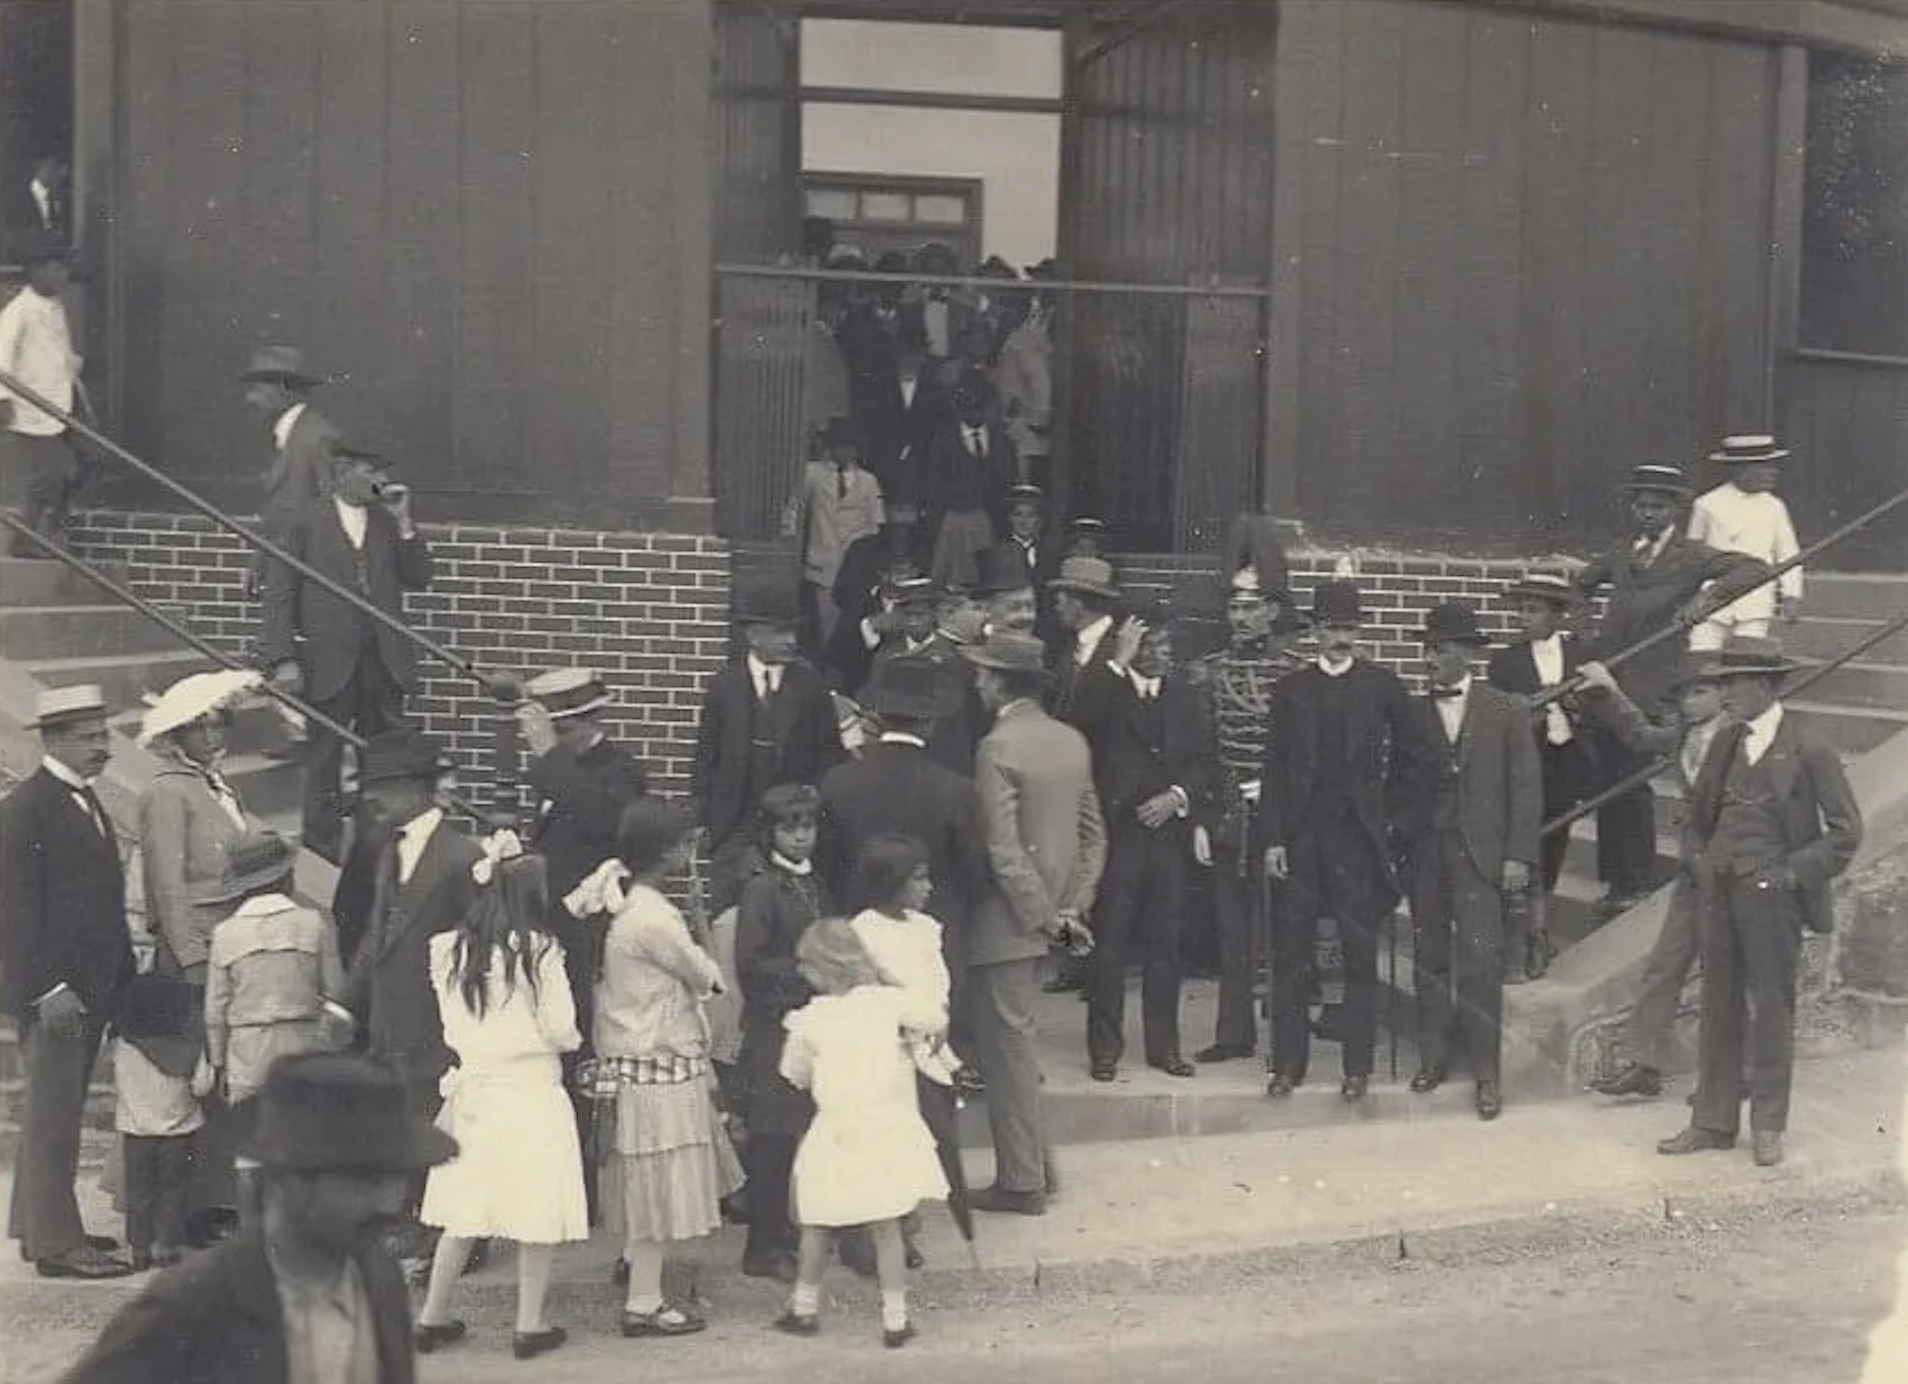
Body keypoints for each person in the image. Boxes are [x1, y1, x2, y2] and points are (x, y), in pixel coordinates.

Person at [60, 1052, 454, 1384]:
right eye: (364, 1180)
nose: (389, 1203)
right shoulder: (196, 1302)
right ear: (287, 1177)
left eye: (396, 1179)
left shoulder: (379, 1280)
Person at [1657, 637, 1862, 1169]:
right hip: (1719, 891)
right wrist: (1702, 862)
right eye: (1721, 682)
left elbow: (1845, 834)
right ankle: (1712, 1121)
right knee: (1717, 1004)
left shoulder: (1809, 747)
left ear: (1767, 686)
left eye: (1733, 682)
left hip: (1773, 899)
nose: (1724, 693)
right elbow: (1699, 817)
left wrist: (1789, 875)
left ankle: (1768, 1125)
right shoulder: (1725, 742)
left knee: (1771, 1008)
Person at [1257, 579, 1433, 1103]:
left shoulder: (1383, 687)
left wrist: (1394, 822)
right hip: (1302, 839)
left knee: (1360, 958)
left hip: (1358, 845)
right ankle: (1287, 1065)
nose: (1342, 638)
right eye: (1333, 628)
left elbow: (1415, 759)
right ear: (1315, 631)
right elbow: (1273, 770)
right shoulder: (1292, 690)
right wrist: (1272, 839)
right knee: (1291, 959)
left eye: (1350, 628)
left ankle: (1357, 1068)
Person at [414, 833, 586, 1362]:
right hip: (531, 1089)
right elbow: (561, 1028)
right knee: (537, 1205)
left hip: (475, 1089)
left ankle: (432, 1316)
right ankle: (528, 1325)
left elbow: (449, 1025)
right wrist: (571, 1040)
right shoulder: (538, 952)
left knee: (464, 1210)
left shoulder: (449, 950)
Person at [1574, 462, 1769, 913]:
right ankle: (1614, 881)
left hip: (1655, 681)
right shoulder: (1621, 552)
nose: (1648, 514)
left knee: (1634, 782)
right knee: (1609, 784)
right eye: (1641, 506)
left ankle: (1637, 883)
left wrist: (1706, 599)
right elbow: (1579, 588)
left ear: (1676, 510)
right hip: (1609, 678)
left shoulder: (1693, 555)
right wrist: (1587, 635)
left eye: (1658, 506)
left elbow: (1755, 569)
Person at [961, 629, 1105, 1214]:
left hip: (1005, 927)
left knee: (1007, 1057)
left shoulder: (996, 746)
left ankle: (1022, 1181)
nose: (977, 681)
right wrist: (1070, 910)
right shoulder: (1070, 740)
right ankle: (1038, 1168)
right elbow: (1094, 835)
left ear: (998, 682)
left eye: (982, 674)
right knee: (1020, 1049)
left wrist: (1043, 918)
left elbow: (1002, 850)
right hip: (1052, 919)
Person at [1, 684, 136, 1279]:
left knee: (56, 1111)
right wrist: (45, 988)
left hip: (90, 987)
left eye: (104, 736)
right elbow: (14, 910)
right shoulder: (28, 807)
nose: (102, 748)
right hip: (58, 995)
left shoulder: (85, 799)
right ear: (53, 740)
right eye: (88, 739)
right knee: (54, 1118)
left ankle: (40, 1225)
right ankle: (57, 1246)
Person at [594, 798, 743, 1338]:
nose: (691, 852)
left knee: (645, 1174)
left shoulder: (633, 905)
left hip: (636, 1056)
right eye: (685, 844)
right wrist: (702, 920)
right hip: (658, 1058)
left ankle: (638, 1269)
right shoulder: (656, 917)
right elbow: (709, 977)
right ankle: (644, 1303)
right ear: (667, 851)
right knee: (658, 1184)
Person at [135, 668, 270, 1245]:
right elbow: (166, 883)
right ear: (177, 737)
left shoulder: (217, 786)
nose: (215, 737)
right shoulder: (168, 791)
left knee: (218, 1082)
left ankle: (214, 1201)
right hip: (198, 951)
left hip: (231, 947)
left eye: (219, 725)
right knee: (194, 1079)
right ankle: (186, 1212)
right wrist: (190, 958)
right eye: (201, 729)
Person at [339, 727, 482, 1260]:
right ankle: (412, 1217)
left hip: (438, 1023)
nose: (373, 799)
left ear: (414, 789)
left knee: (438, 1119)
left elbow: (483, 948)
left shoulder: (462, 857)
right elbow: (378, 937)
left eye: (382, 788)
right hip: (391, 1021)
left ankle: (452, 1230)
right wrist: (344, 1002)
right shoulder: (388, 851)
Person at [257, 442, 434, 862]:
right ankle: (322, 850)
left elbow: (419, 576)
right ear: (343, 472)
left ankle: (383, 847)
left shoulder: (385, 521)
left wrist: (405, 522)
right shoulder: (304, 521)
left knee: (388, 755)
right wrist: (282, 658)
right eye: (372, 471)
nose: (382, 481)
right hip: (329, 661)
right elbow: (279, 592)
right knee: (324, 758)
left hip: (383, 660)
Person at [774, 918, 947, 1349]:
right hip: (885, 1124)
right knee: (887, 1224)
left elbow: (792, 1074)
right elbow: (932, 1017)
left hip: (835, 1128)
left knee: (817, 1222)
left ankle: (804, 1306)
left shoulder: (809, 1020)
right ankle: (895, 1318)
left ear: (821, 967)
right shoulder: (888, 1003)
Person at [517, 665, 648, 1220]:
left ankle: (588, 1195)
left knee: (586, 1061)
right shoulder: (566, 771)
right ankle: (567, 1187)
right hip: (554, 936)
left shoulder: (617, 772)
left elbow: (607, 822)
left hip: (590, 940)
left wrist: (550, 758)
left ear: (576, 725)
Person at [1403, 603, 1542, 1121]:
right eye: (1427, 649)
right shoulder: (1414, 713)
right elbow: (1398, 785)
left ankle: (1487, 1074)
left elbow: (1526, 790)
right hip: (1427, 854)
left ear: (1465, 654)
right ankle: (1434, 1059)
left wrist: (1519, 856)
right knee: (1430, 959)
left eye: (1439, 650)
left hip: (1482, 856)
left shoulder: (1506, 710)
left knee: (1482, 963)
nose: (1429, 659)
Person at [818, 657, 990, 1069]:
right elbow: (976, 876)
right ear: (931, 722)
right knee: (930, 1057)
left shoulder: (839, 782)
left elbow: (825, 866)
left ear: (877, 714)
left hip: (858, 938)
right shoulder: (957, 790)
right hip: (932, 942)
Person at [1574, 656, 1733, 1100]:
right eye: (1683, 694)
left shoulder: (1742, 738)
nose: (1689, 701)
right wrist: (1608, 690)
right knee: (1664, 965)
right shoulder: (1685, 734)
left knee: (1727, 974)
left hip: (1731, 869)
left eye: (1700, 691)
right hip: (1692, 870)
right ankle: (1644, 1065)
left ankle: (1727, 1077)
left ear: (1724, 694)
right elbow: (1640, 735)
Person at [1071, 599, 1209, 1081]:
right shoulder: (1106, 690)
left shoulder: (1186, 697)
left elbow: (1202, 759)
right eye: (1145, 644)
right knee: (1109, 946)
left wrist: (1177, 795)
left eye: (1164, 644)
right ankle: (1105, 1049)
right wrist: (1116, 661)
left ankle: (1164, 1047)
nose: (1156, 653)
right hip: (1117, 837)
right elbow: (1077, 719)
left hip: (1166, 838)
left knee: (1165, 944)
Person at [1188, 565, 1307, 1063]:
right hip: (1230, 813)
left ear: (1271, 613)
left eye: (1250, 607)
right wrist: (1200, 817)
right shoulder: (1208, 672)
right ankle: (1235, 1032)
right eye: (1234, 608)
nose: (1240, 617)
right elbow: (1200, 751)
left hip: (1281, 816)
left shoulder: (1296, 672)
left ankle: (1286, 1030)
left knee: (1286, 926)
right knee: (1232, 927)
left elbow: (1303, 753)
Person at [202, 829, 351, 1223]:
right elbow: (335, 992)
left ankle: (251, 1239)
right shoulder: (313, 924)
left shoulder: (225, 934)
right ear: (286, 877)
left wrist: (217, 1061)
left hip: (247, 1047)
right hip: (302, 1042)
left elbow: (215, 1009)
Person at [692, 566, 845, 917]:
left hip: (789, 828)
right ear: (753, 634)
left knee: (787, 916)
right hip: (734, 829)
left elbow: (829, 755)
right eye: (779, 632)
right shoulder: (724, 686)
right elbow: (705, 757)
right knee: (728, 916)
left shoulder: (811, 686)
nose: (790, 640)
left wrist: (807, 805)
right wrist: (707, 822)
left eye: (793, 630)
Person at [733, 784, 833, 1283]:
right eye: (790, 828)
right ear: (770, 832)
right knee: (771, 1137)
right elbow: (750, 965)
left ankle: (783, 1232)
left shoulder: (815, 883)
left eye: (808, 826)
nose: (801, 837)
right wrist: (808, 976)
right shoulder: (762, 888)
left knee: (794, 1133)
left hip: (810, 1026)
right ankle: (762, 1245)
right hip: (774, 1026)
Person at [1487, 571, 1595, 978]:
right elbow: (1498, 711)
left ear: (1557, 615)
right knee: (1524, 844)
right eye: (1520, 609)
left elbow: (1598, 707)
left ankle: (1539, 925)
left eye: (1533, 610)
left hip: (1564, 760)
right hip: (1526, 760)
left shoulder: (1580, 654)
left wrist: (1573, 703)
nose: (1523, 618)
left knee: (1554, 841)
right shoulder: (1506, 660)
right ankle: (1527, 935)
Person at [111, 970, 207, 1273]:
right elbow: (202, 1085)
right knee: (173, 1189)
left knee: (139, 1191)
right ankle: (167, 1246)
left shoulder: (122, 1045)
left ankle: (139, 1248)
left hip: (135, 1129)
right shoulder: (190, 1047)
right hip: (179, 1130)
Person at [0, 232, 84, 554]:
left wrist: (72, 367)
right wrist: (4, 400)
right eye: (55, 267)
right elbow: (2, 357)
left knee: (91, 458)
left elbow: (56, 351)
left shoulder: (55, 308)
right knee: (51, 471)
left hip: (62, 402)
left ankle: (56, 520)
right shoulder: (18, 311)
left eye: (65, 268)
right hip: (31, 408)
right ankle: (27, 537)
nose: (63, 275)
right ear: (35, 270)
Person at [1687, 435, 1803, 651]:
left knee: (1748, 656)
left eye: (1773, 467)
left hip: (1754, 599)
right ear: (1740, 470)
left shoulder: (1774, 507)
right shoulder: (1706, 505)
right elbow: (1692, 554)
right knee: (1701, 654)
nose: (1773, 473)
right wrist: (1690, 596)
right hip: (1712, 600)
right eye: (1764, 467)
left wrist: (1791, 595)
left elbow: (1788, 553)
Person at [784, 415, 885, 654]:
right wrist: (790, 543)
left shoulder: (868, 482)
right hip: (823, 565)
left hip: (855, 570)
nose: (845, 452)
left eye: (850, 447)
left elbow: (876, 524)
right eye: (840, 446)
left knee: (850, 625)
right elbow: (794, 510)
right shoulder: (813, 474)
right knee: (825, 626)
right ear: (831, 448)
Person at [239, 344, 342, 553]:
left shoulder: (317, 439)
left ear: (283, 389)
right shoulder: (287, 436)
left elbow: (331, 525)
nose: (249, 399)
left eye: (258, 389)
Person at [922, 368, 1016, 592]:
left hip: (995, 526)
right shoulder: (943, 443)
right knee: (957, 585)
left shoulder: (1002, 443)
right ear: (957, 407)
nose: (974, 413)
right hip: (956, 524)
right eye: (967, 406)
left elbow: (1008, 485)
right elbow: (935, 490)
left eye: (979, 406)